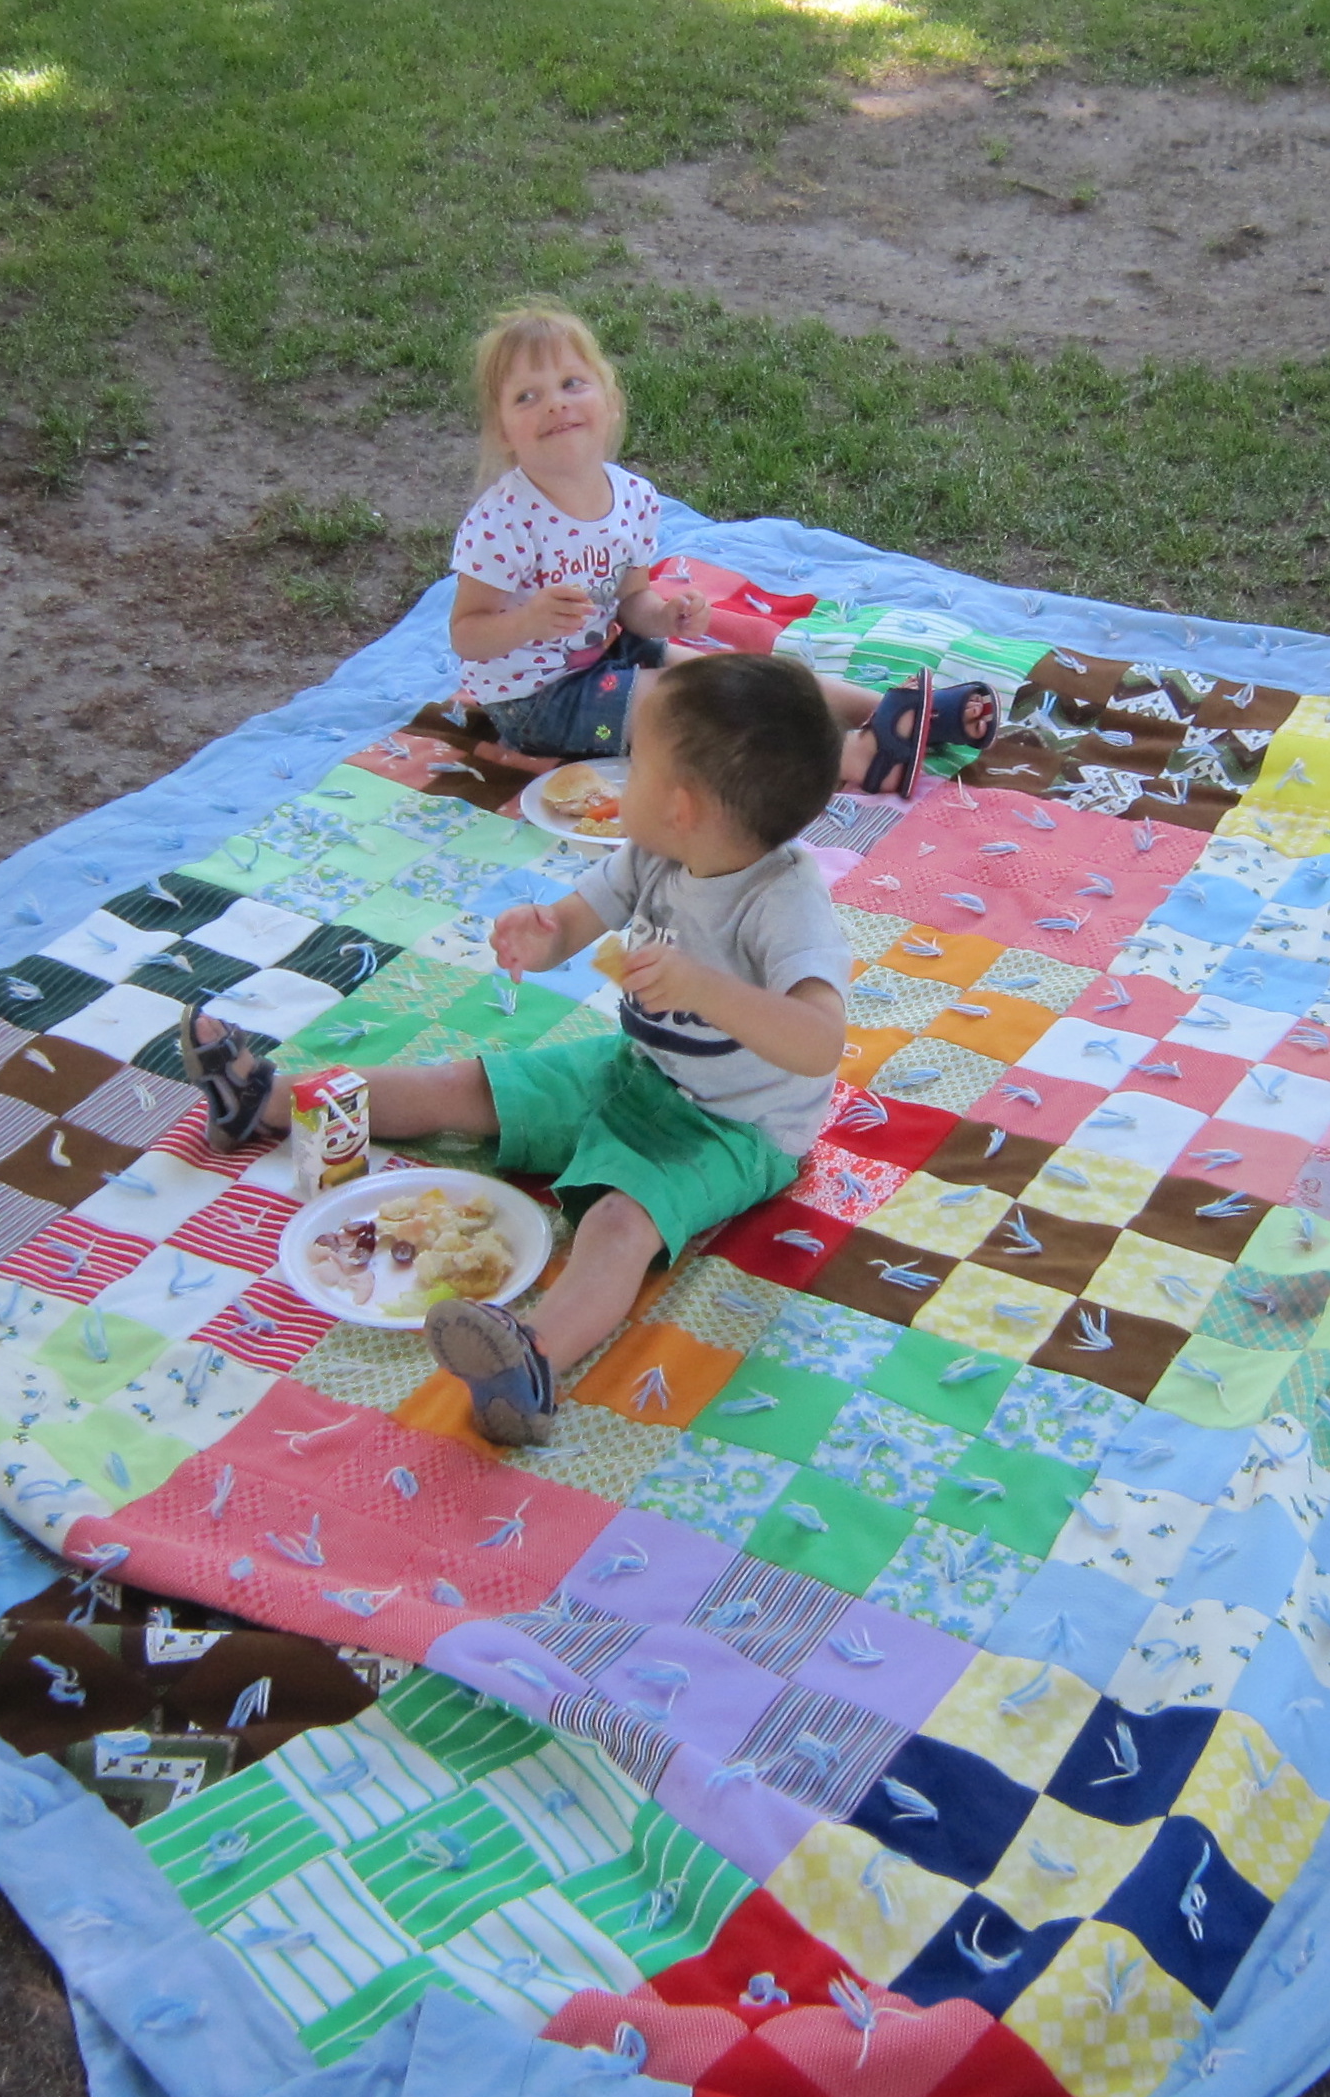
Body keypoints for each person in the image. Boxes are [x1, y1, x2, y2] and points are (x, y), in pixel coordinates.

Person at [180, 651, 853, 1445]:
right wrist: (542, 933)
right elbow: (576, 919)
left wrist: (707, 989)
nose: (616, 778)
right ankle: (261, 1099)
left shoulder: (783, 900)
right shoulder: (655, 851)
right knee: (465, 1086)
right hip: (636, 1068)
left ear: (682, 806)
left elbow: (819, 1042)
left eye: (633, 762)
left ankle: (530, 1365)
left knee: (619, 1221)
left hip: (735, 1130)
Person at [446, 302, 918, 792]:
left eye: (572, 383)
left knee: (743, 676)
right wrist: (528, 621)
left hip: (613, 653)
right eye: (527, 396)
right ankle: (847, 758)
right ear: (504, 432)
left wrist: (666, 617)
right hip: (540, 702)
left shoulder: (632, 497)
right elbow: (466, 634)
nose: (555, 404)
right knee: (703, 709)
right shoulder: (503, 522)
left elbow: (633, 602)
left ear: (610, 402)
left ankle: (894, 711)